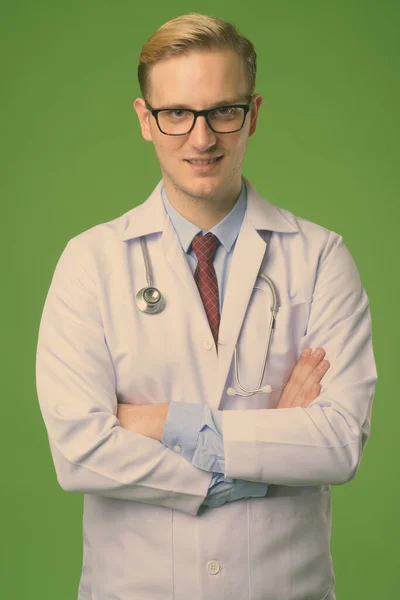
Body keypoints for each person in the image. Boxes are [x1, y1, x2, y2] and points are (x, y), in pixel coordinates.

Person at [35, 12, 377, 600]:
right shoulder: (90, 262)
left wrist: (164, 422)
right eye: (176, 114)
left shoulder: (320, 258)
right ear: (145, 120)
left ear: (253, 115)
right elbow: (79, 453)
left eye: (224, 110)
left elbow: (338, 442)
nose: (201, 138)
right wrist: (266, 454)